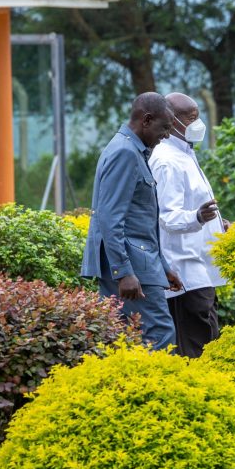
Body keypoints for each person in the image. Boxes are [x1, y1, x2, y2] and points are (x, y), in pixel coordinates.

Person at [81, 92, 183, 351]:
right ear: (146, 120)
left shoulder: (133, 150)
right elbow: (109, 217)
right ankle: (159, 380)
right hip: (131, 265)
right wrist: (123, 272)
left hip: (139, 262)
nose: (166, 135)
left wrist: (163, 266)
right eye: (164, 127)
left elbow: (140, 220)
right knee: (159, 333)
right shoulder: (125, 153)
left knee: (123, 338)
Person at [149, 92, 229, 358]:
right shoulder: (166, 161)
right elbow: (167, 217)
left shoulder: (184, 153)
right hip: (183, 270)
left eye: (198, 117)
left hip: (199, 267)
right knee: (195, 346)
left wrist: (216, 225)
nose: (198, 124)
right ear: (172, 120)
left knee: (208, 339)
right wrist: (198, 218)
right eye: (191, 118)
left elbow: (195, 206)